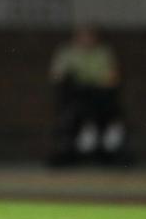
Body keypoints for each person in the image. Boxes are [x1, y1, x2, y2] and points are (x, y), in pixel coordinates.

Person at [48, 25, 125, 166]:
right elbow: (56, 76)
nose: (86, 40)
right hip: (75, 96)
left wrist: (96, 82)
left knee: (109, 116)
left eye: (90, 36)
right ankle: (70, 151)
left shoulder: (103, 53)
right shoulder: (67, 52)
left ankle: (106, 152)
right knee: (72, 116)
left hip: (100, 97)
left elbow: (112, 78)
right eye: (82, 36)